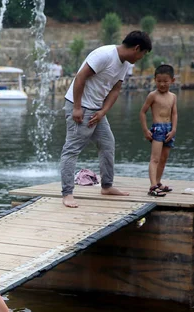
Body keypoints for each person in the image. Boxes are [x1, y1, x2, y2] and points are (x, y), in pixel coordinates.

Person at [60, 30, 152, 208]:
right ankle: (67, 193)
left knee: (107, 143)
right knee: (72, 149)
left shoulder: (124, 64)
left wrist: (103, 111)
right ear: (137, 48)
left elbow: (115, 90)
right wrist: (77, 107)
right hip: (80, 106)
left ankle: (107, 186)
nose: (142, 58)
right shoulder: (104, 55)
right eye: (143, 54)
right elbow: (80, 77)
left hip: (97, 110)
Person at [139, 64, 178, 197]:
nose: (162, 84)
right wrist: (145, 130)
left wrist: (173, 129)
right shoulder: (152, 95)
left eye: (165, 81)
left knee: (163, 158)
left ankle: (158, 182)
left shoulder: (173, 96)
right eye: (159, 81)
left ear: (172, 81)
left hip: (168, 129)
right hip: (158, 129)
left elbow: (174, 114)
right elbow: (142, 112)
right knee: (155, 158)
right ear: (155, 79)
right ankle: (153, 186)